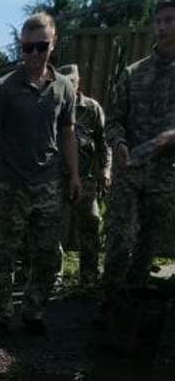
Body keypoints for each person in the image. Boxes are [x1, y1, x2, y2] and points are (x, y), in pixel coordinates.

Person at [0, 12, 81, 339]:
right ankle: (1, 316)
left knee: (47, 254)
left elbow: (68, 135)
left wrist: (74, 176)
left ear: (53, 43)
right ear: (21, 47)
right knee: (4, 254)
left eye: (40, 47)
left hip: (48, 185)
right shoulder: (3, 88)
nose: (33, 54)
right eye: (27, 48)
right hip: (11, 185)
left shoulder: (63, 88)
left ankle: (33, 311)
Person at [100, 0, 175, 311]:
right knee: (119, 238)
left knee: (149, 240)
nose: (162, 27)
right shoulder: (134, 73)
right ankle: (108, 301)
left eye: (169, 20)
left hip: (166, 170)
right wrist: (117, 143)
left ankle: (132, 302)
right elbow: (114, 119)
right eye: (158, 21)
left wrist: (169, 137)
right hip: (129, 169)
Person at [57, 64, 111, 287]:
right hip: (56, 177)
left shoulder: (92, 108)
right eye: (65, 81)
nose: (69, 85)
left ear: (79, 82)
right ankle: (53, 276)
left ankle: (88, 277)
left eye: (73, 81)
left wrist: (106, 170)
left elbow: (103, 142)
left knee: (90, 225)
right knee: (50, 228)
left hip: (86, 178)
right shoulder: (53, 105)